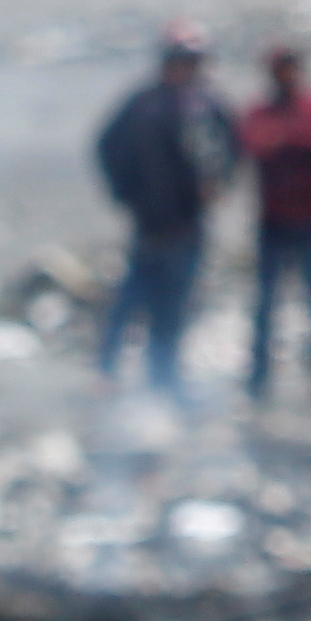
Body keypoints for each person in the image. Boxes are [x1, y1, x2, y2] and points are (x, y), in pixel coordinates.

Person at [91, 31, 233, 403]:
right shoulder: (144, 106)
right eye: (183, 63)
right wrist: (127, 196)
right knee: (131, 301)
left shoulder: (204, 108)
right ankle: (109, 374)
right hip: (150, 226)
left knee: (175, 307)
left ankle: (165, 382)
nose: (189, 71)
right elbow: (106, 147)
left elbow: (231, 147)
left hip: (188, 225)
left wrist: (220, 184)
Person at [238, 43, 311, 408]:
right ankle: (258, 383)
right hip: (274, 222)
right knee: (267, 306)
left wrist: (284, 138)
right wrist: (287, 139)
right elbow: (254, 143)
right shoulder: (259, 111)